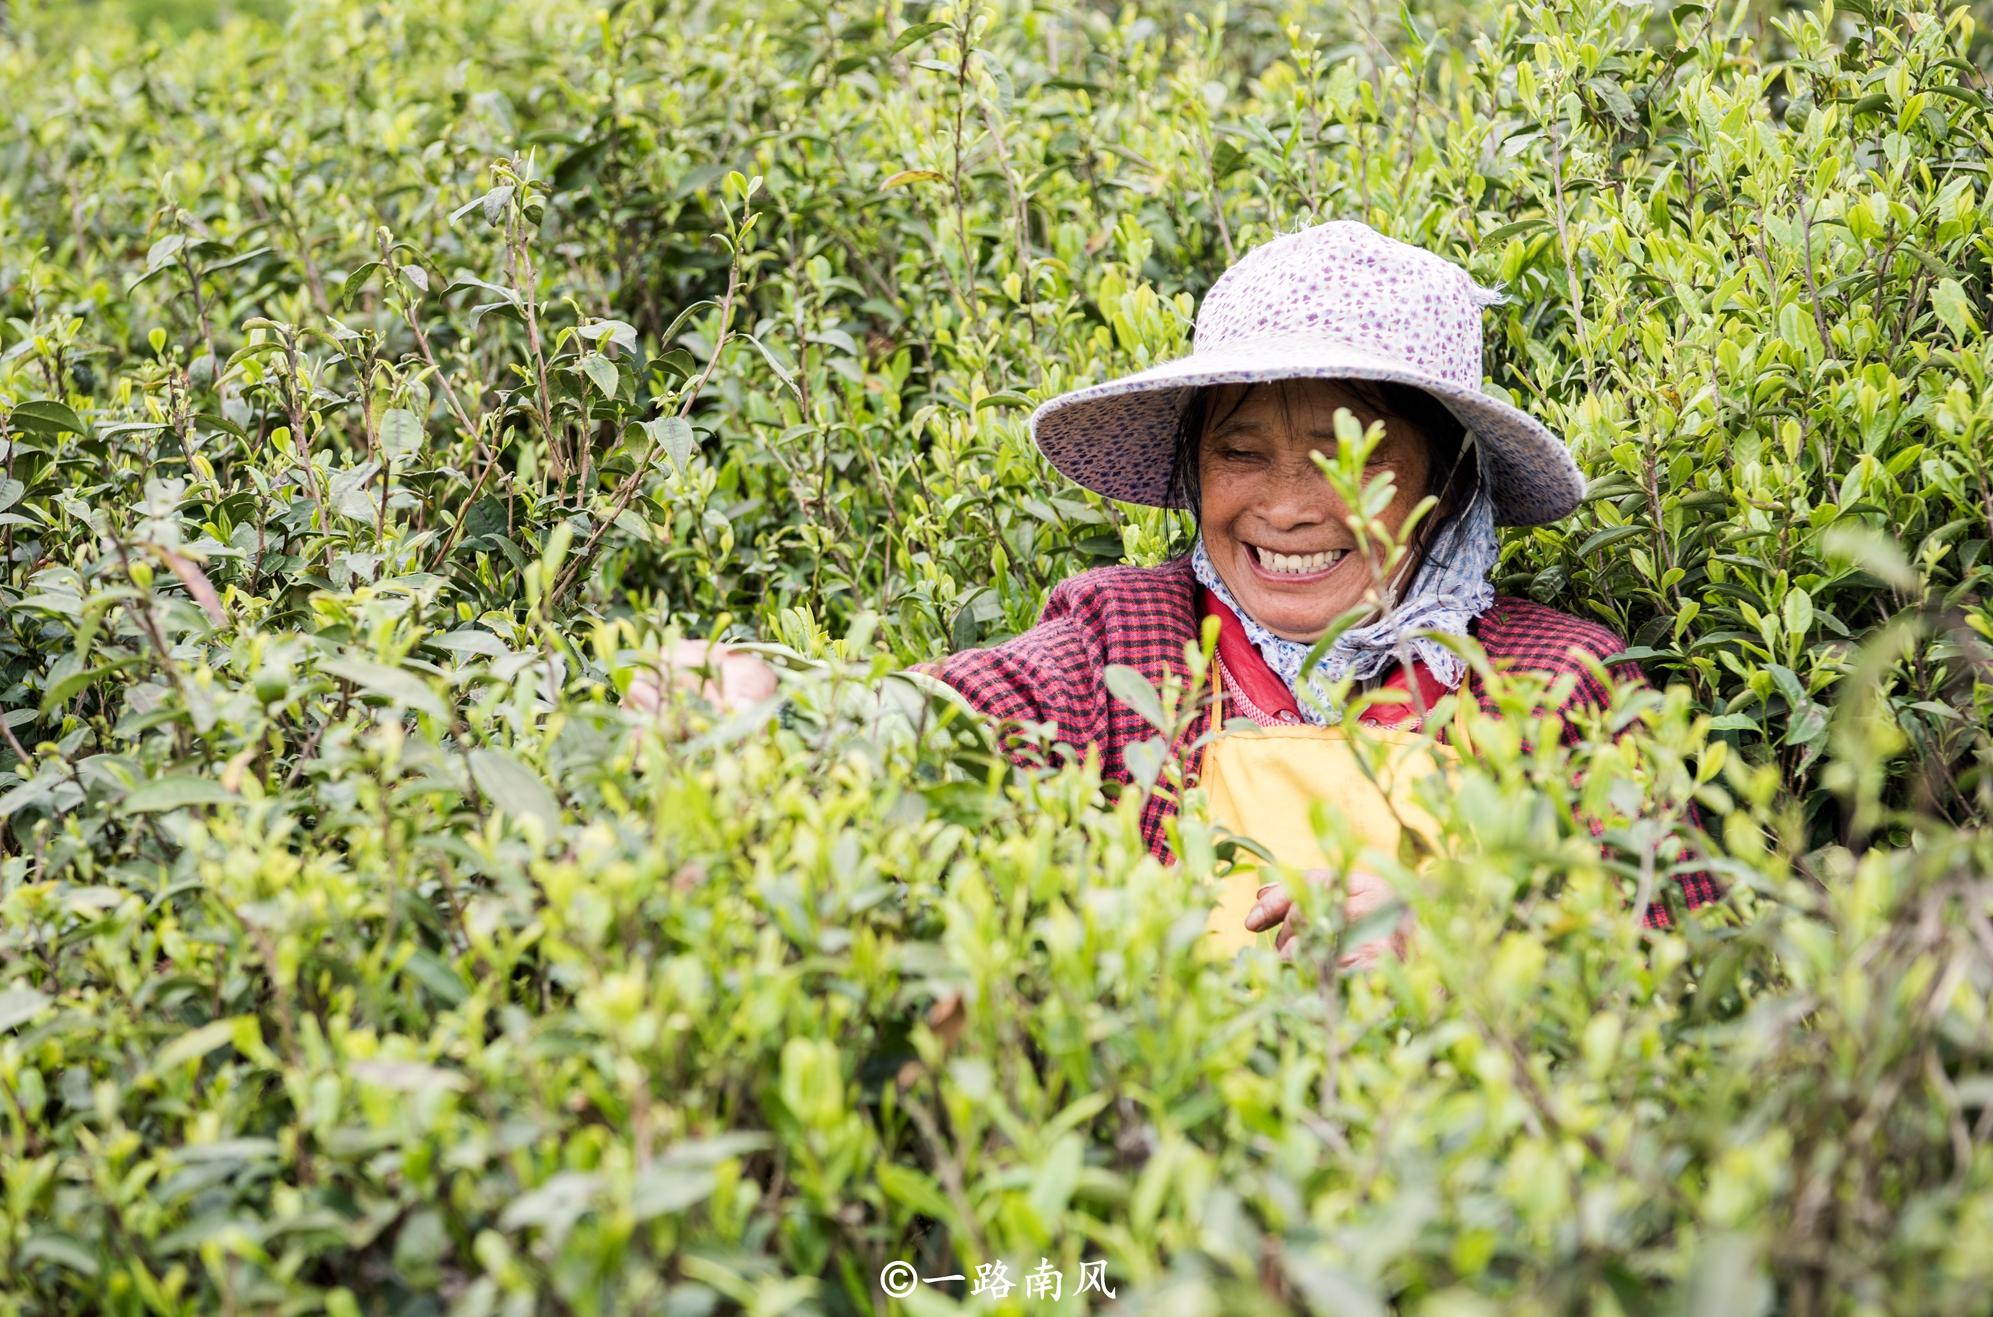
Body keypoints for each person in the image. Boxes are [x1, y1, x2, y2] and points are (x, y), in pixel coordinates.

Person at [625, 220, 1720, 962]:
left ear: (1446, 479)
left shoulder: (1559, 680)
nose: (1289, 509)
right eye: (1241, 453)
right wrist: (788, 706)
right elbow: (942, 722)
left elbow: (1684, 949)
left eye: (1351, 454)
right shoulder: (1126, 641)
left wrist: (1452, 928)